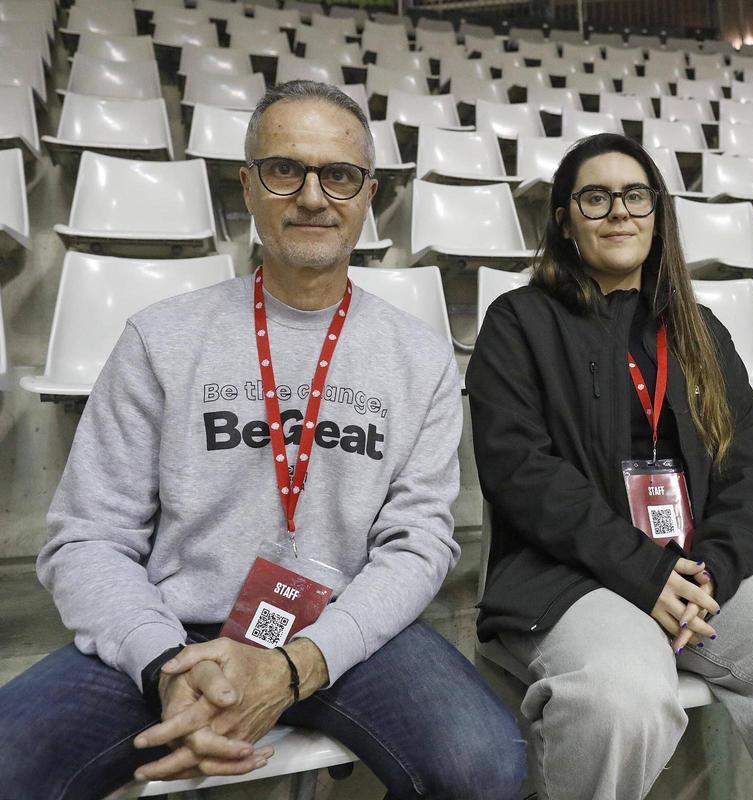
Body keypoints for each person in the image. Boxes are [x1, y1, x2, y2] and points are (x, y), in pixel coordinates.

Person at [0, 81, 525, 800]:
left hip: (344, 628)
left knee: (486, 767)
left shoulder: (420, 356)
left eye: (338, 175)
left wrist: (297, 664)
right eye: (285, 170)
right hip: (176, 625)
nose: (312, 197)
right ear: (248, 186)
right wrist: (165, 666)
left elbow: (419, 543)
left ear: (368, 195)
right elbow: (88, 537)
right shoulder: (160, 337)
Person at [466, 132, 753, 800]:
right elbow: (520, 471)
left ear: (658, 214)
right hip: (567, 575)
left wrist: (713, 572)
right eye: (595, 197)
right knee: (622, 698)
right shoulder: (518, 321)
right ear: (564, 221)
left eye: (635, 196)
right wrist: (645, 573)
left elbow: (748, 472)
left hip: (697, 569)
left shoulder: (701, 331)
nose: (619, 211)